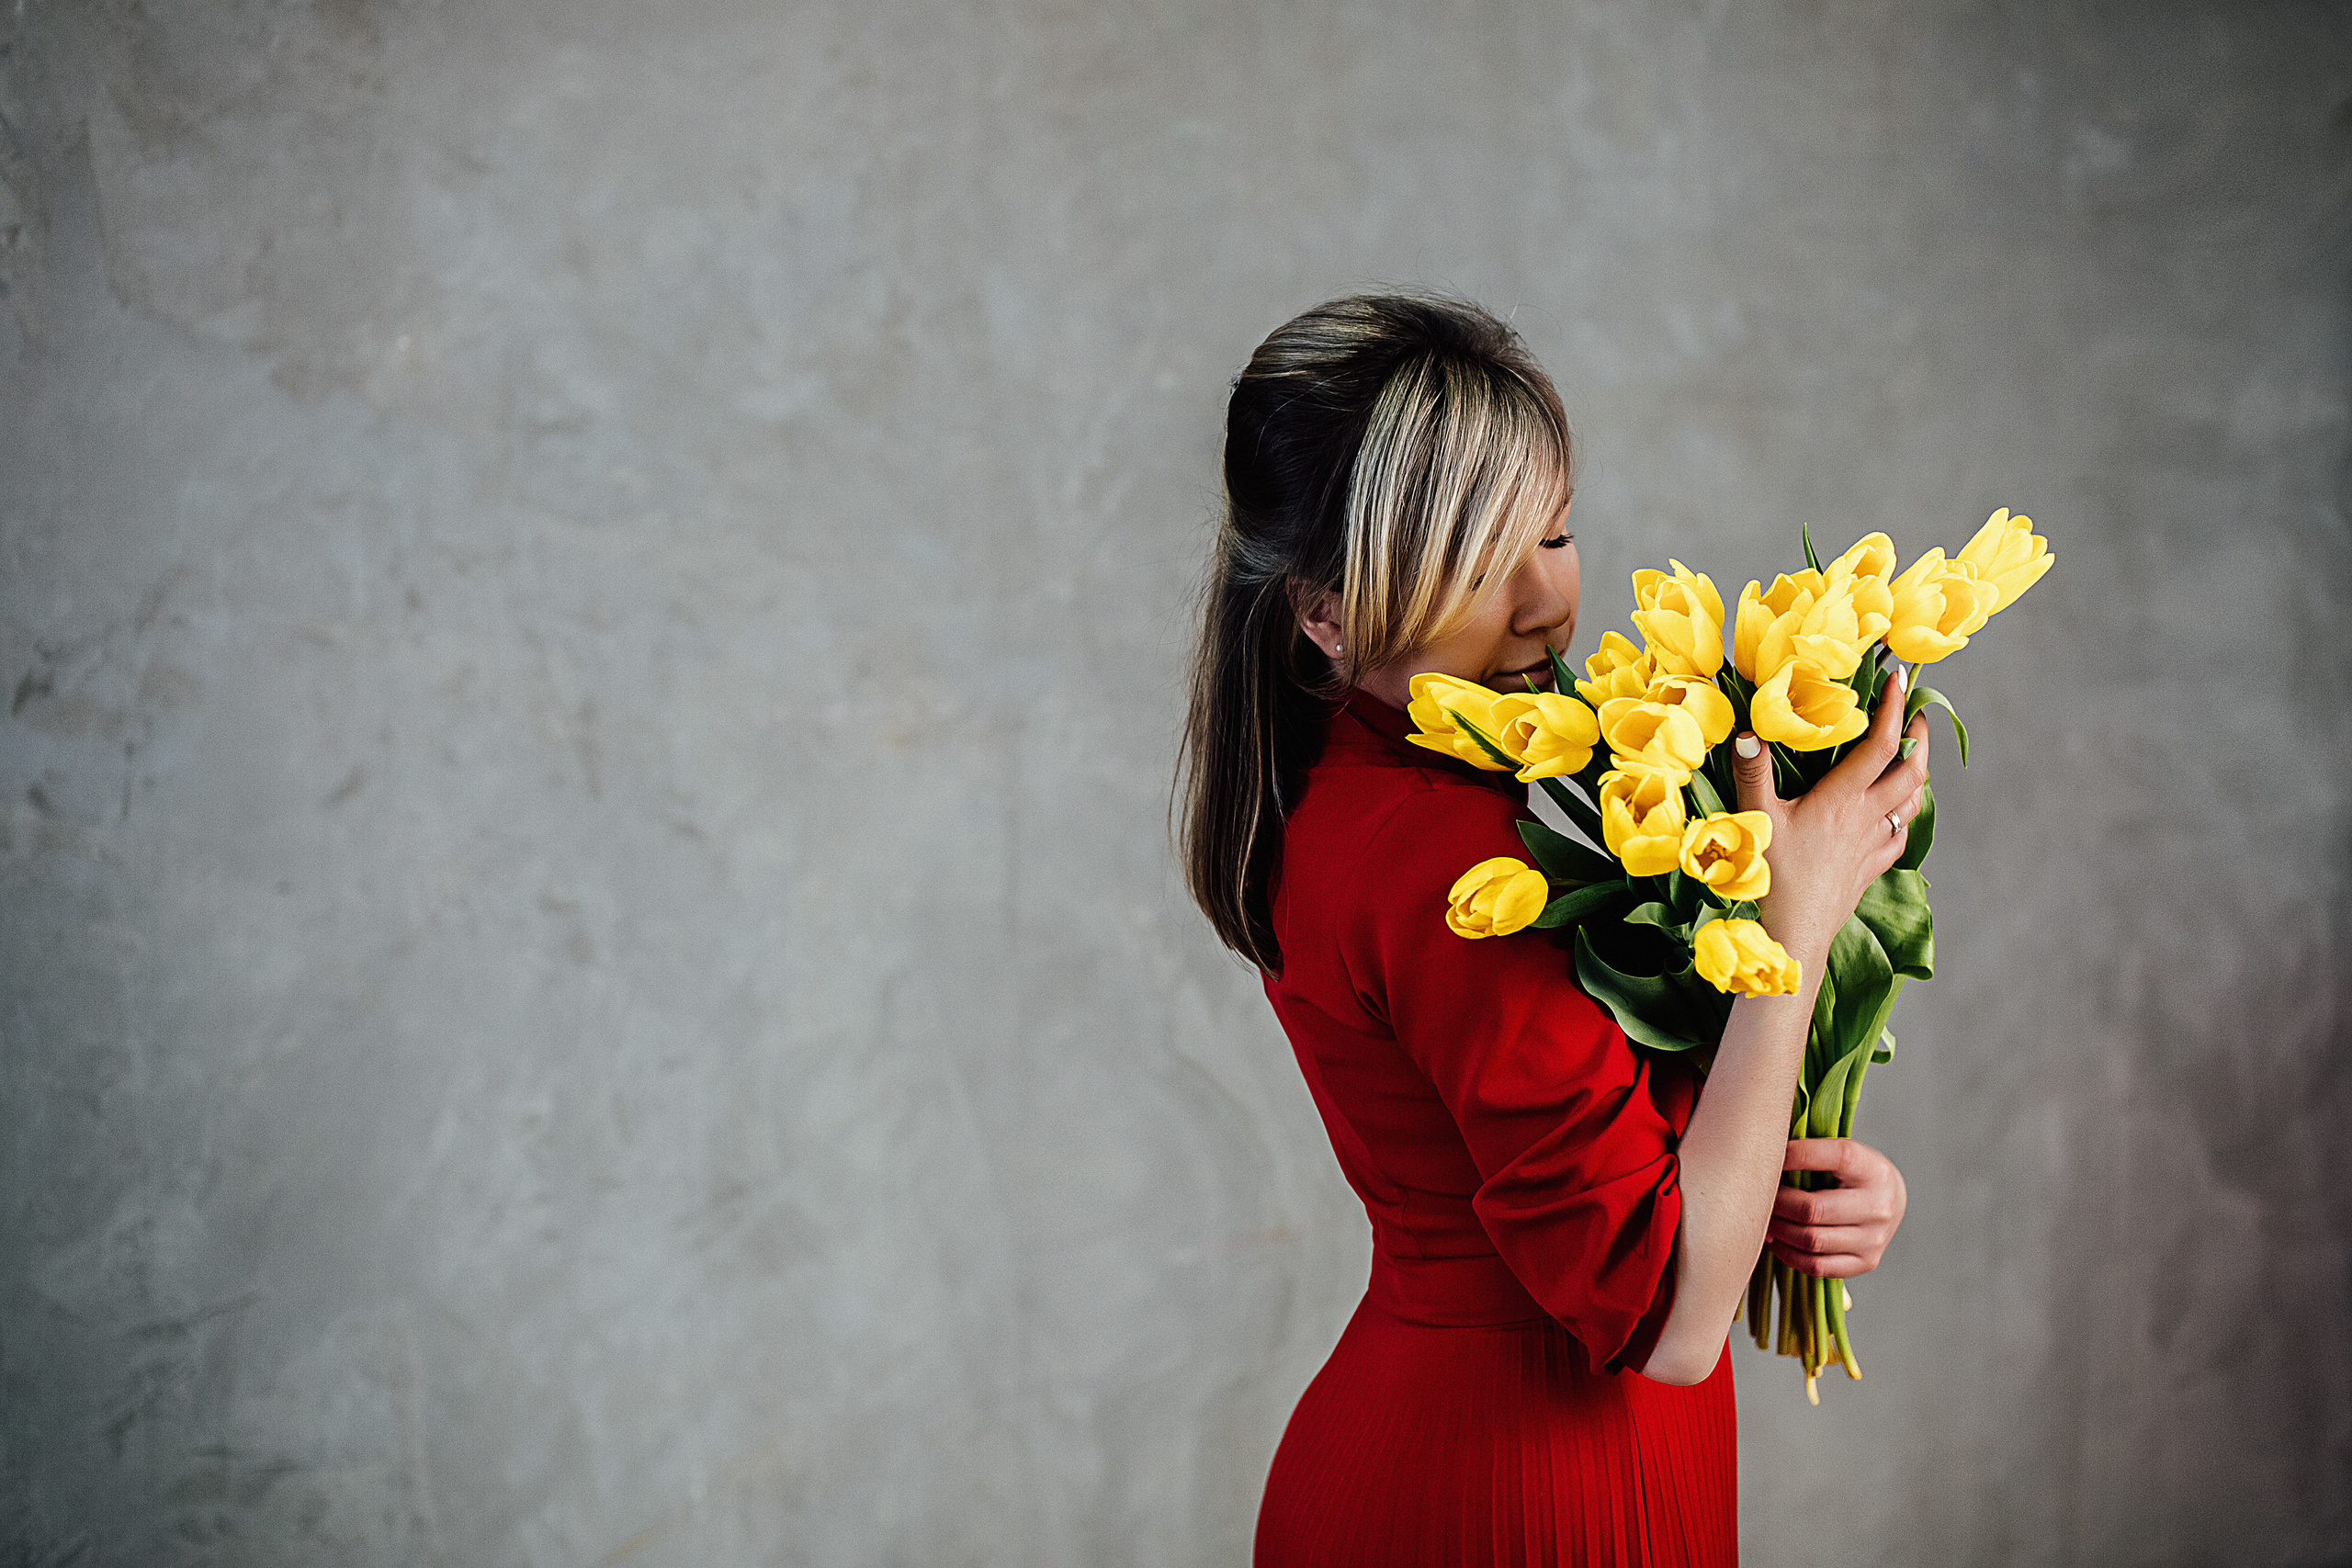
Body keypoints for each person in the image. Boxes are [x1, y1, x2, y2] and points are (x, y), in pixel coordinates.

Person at [1176, 294, 1925, 1567]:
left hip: (1494, 1453)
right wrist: (1793, 932)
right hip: (1511, 1491)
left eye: (1557, 532)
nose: (1544, 606)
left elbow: (1629, 1176)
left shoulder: (1414, 788)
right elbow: (1670, 1313)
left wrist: (1795, 1184)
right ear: (1326, 612)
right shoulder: (1445, 857)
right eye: (1476, 563)